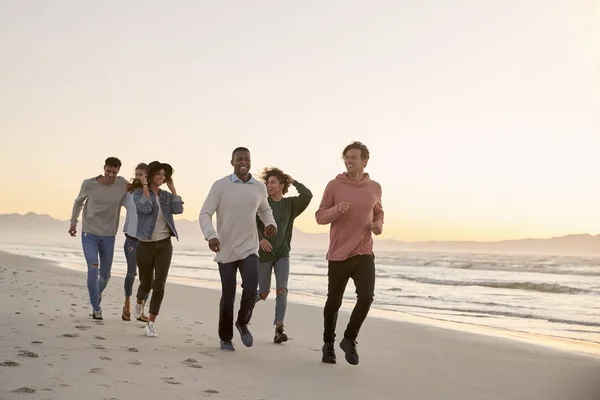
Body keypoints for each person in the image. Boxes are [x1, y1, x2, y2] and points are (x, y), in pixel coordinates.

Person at [199, 147, 277, 351]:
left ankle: (242, 322)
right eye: (239, 159)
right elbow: (205, 213)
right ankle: (226, 338)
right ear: (232, 162)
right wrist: (211, 236)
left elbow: (265, 210)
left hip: (249, 247)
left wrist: (271, 224)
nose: (244, 162)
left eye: (247, 159)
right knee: (228, 295)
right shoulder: (221, 186)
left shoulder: (259, 187)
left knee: (251, 289)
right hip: (225, 249)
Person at [315, 141, 384, 366]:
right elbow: (320, 216)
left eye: (354, 157)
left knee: (366, 297)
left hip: (364, 251)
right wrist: (336, 210)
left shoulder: (374, 187)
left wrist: (378, 225)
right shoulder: (334, 185)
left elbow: (378, 212)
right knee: (333, 301)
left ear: (364, 161)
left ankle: (349, 339)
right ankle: (328, 344)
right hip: (338, 253)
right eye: (346, 157)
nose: (349, 161)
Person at [255, 167, 313, 343]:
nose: (269, 185)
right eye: (268, 182)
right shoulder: (263, 204)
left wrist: (294, 181)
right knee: (263, 293)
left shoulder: (290, 205)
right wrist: (260, 239)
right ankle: (244, 310)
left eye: (273, 182)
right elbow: (251, 223)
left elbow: (307, 195)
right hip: (264, 254)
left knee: (282, 290)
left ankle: (279, 329)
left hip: (282, 254)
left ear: (281, 185)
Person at [69, 157, 129, 320]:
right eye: (108, 171)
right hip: (90, 233)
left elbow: (137, 189)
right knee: (93, 268)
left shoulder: (122, 184)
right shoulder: (89, 184)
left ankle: (96, 294)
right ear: (104, 168)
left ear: (118, 172)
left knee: (105, 275)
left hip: (109, 235)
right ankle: (97, 309)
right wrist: (73, 223)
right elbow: (78, 203)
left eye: (114, 172)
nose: (110, 175)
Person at [130, 161, 184, 337]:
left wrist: (173, 188)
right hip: (145, 244)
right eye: (158, 174)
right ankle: (139, 300)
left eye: (164, 175)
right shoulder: (138, 193)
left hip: (164, 244)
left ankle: (151, 323)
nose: (162, 177)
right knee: (147, 283)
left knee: (159, 284)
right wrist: (145, 185)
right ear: (150, 175)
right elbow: (144, 208)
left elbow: (178, 209)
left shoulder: (167, 196)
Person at [121, 162, 150, 322]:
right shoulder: (129, 193)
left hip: (147, 242)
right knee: (131, 272)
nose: (139, 177)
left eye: (142, 174)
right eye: (137, 174)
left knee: (148, 278)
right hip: (131, 240)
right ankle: (126, 303)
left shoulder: (152, 192)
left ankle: (141, 309)